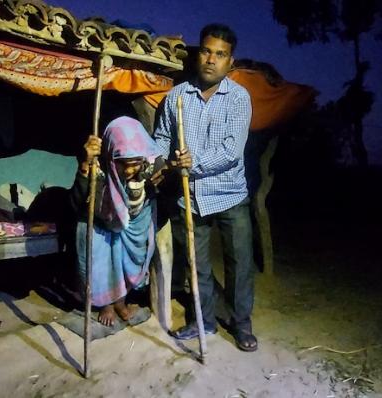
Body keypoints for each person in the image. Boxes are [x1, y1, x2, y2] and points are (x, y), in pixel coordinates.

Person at [154, 23, 258, 351]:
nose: (212, 59)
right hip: (191, 197)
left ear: (230, 62)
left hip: (229, 195)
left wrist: (191, 162)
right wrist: (162, 162)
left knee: (239, 264)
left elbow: (231, 152)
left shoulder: (239, 99)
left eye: (221, 54)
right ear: (200, 54)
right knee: (196, 266)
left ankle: (241, 326)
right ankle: (205, 322)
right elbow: (161, 139)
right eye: (207, 51)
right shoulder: (177, 97)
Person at [70, 116, 165, 327]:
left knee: (126, 261)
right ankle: (106, 304)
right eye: (124, 165)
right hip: (101, 224)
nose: (131, 171)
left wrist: (178, 167)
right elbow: (77, 202)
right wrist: (86, 165)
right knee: (103, 261)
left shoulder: (148, 162)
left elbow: (165, 178)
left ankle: (121, 301)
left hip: (133, 222)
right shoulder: (98, 165)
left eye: (135, 164)